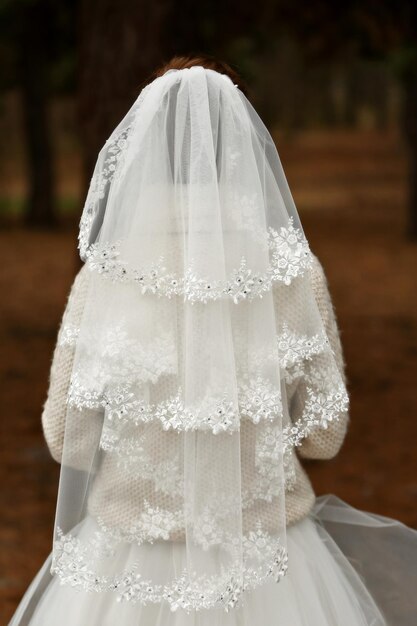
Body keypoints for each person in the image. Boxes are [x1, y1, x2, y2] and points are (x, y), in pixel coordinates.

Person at [9, 56, 417, 626]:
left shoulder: (105, 276)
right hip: (269, 566)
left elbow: (65, 441)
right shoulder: (293, 275)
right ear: (242, 149)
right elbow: (323, 437)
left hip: (129, 568)